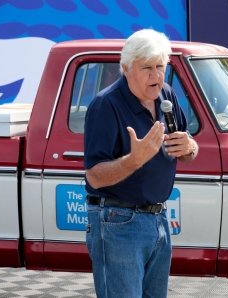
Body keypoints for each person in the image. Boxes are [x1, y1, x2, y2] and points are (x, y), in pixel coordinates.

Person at [84, 29, 198, 298]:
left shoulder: (166, 96)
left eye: (160, 67)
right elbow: (95, 177)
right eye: (146, 67)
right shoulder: (106, 105)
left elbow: (186, 147)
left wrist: (190, 147)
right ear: (126, 68)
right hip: (118, 222)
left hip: (158, 219)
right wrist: (134, 160)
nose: (155, 75)